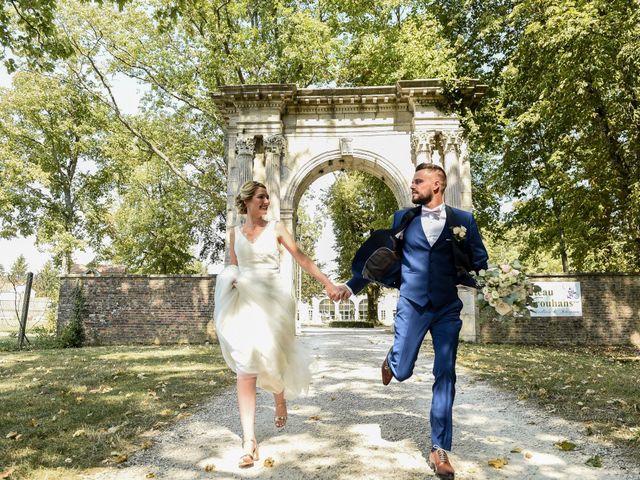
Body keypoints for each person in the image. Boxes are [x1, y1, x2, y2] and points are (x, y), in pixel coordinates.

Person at [335, 163, 488, 480]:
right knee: (403, 371)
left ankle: (439, 449)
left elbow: (480, 263)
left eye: (419, 181)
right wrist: (351, 286)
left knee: (445, 373)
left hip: (446, 307)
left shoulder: (464, 221)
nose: (412, 186)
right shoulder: (403, 218)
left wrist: (500, 286)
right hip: (412, 303)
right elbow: (378, 258)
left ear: (438, 185)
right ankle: (393, 360)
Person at [214, 180, 341, 469]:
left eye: (267, 198)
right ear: (246, 201)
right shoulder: (234, 234)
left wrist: (329, 285)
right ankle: (249, 442)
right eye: (261, 197)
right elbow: (233, 267)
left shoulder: (277, 228)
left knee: (275, 357)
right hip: (244, 303)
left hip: (274, 301)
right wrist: (230, 280)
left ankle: (279, 398)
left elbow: (301, 258)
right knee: (245, 367)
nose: (266, 202)